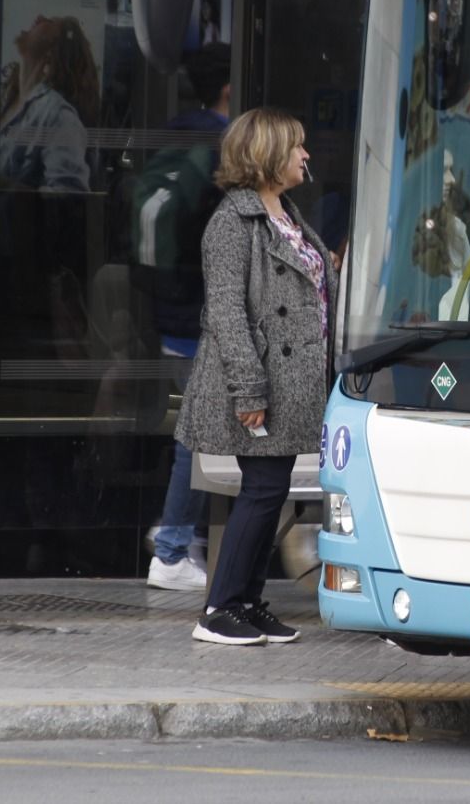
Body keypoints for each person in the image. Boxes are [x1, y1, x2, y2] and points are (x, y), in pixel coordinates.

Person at [176, 107, 337, 645]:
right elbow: (226, 313)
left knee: (272, 489)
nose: (305, 156)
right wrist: (250, 389)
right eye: (296, 148)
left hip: (293, 381)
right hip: (258, 381)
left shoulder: (285, 213)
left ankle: (244, 601)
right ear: (268, 155)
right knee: (264, 489)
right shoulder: (232, 222)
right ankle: (219, 609)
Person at [143, 44, 236, 592]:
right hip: (204, 316)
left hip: (169, 310)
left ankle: (184, 539)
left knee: (197, 432)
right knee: (198, 437)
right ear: (230, 88)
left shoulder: (173, 137)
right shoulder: (224, 148)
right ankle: (174, 547)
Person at [0, 15, 99, 192]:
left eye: (48, 23)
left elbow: (69, 195)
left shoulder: (58, 116)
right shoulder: (6, 101)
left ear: (51, 53)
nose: (38, 18)